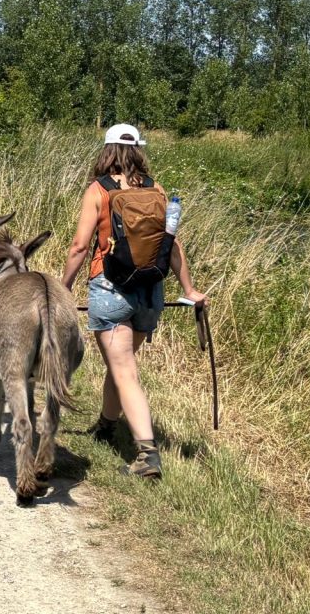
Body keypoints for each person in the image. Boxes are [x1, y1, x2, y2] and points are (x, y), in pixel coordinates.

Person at [61, 123, 207, 480]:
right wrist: (189, 290)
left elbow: (80, 246)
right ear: (138, 150)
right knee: (120, 364)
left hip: (111, 289)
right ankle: (106, 427)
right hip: (149, 293)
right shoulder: (156, 189)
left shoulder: (99, 189)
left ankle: (146, 454)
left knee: (124, 369)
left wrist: (62, 288)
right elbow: (172, 245)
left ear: (106, 150)